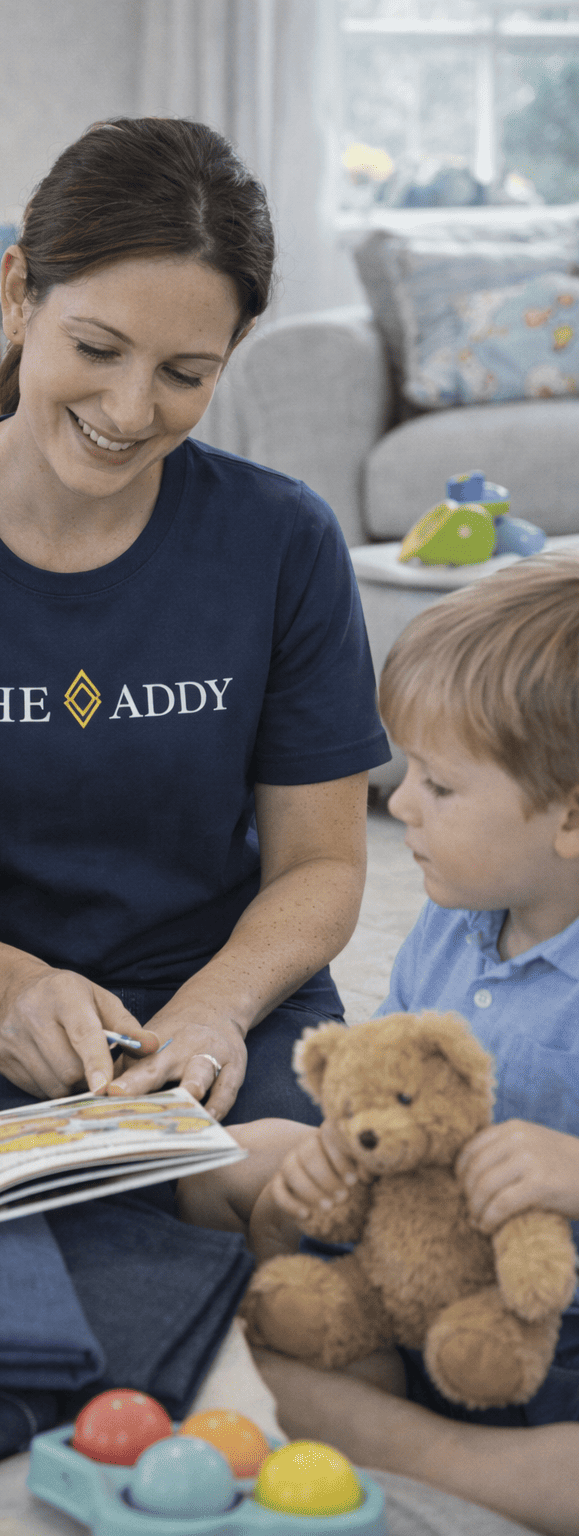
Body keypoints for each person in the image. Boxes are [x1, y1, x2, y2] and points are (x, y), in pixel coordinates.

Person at [0, 117, 390, 1131]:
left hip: (234, 1003)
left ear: (229, 355)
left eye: (183, 373)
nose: (128, 408)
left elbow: (322, 864)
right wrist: (6, 986)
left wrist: (215, 1007)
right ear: (20, 293)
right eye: (98, 348)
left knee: (315, 1223)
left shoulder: (283, 539)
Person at [183, 554, 579, 1536]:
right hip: (415, 1263)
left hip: (549, 1321)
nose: (397, 807)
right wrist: (320, 1169)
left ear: (570, 817)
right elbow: (388, 1110)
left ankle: (421, 1447)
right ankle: (356, 1387)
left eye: (437, 787)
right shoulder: (454, 919)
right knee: (225, 1156)